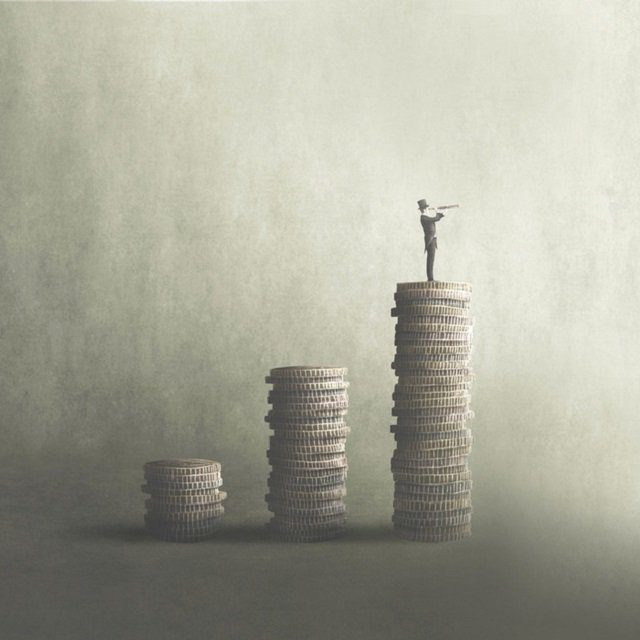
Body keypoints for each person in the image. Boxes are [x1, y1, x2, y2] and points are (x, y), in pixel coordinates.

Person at [417, 198, 444, 281]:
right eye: (427, 209)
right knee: (430, 260)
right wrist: (437, 212)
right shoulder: (424, 218)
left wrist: (442, 214)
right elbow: (435, 219)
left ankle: (431, 278)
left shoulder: (426, 217)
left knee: (431, 259)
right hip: (430, 241)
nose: (428, 210)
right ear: (424, 209)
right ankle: (430, 278)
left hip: (433, 240)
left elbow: (435, 219)